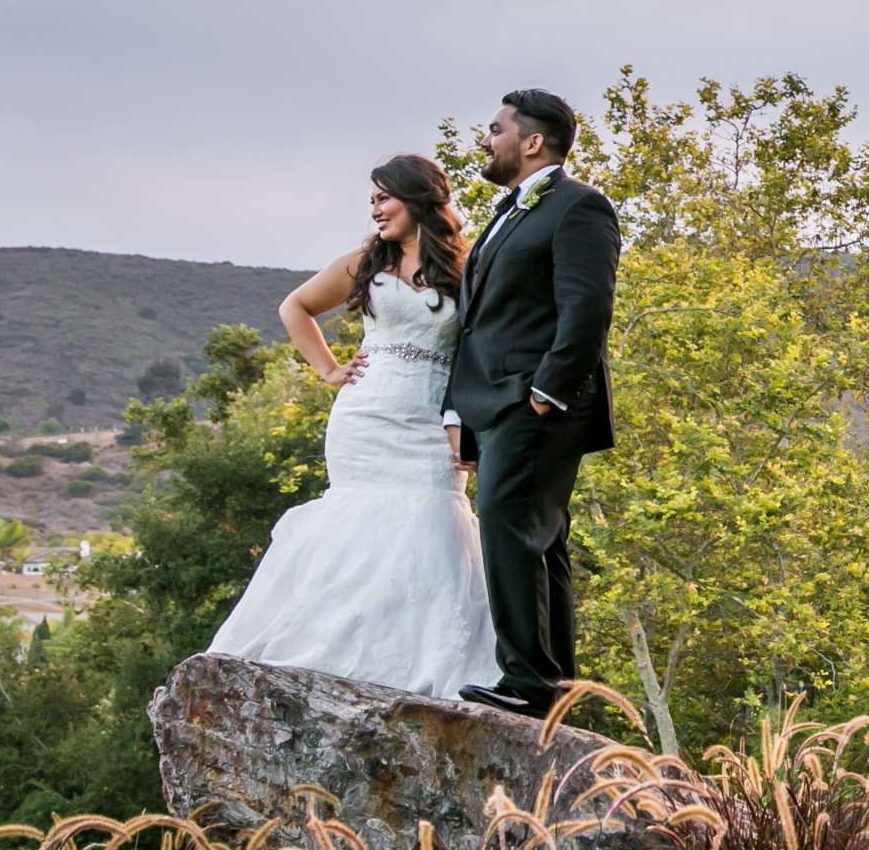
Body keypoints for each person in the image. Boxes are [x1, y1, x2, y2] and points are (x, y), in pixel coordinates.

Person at [206, 154, 502, 697]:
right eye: (371, 201)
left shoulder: (469, 266)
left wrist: (468, 426)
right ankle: (332, 653)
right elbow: (295, 306)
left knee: (434, 525)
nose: (376, 211)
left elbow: (480, 357)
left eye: (384, 198)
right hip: (365, 418)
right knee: (358, 523)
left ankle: (426, 665)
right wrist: (329, 370)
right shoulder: (365, 263)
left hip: (432, 423)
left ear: (418, 199)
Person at [441, 89, 622, 718]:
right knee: (539, 541)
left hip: (535, 403)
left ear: (533, 141)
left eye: (495, 130)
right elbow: (474, 323)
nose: (486, 141)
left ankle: (527, 684)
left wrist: (546, 394)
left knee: (510, 526)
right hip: (489, 403)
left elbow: (587, 307)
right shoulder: (504, 213)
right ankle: (554, 686)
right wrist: (455, 409)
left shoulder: (579, 207)